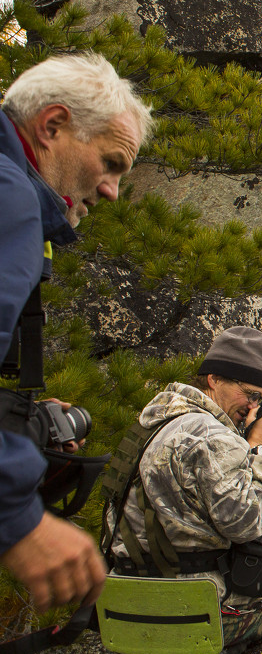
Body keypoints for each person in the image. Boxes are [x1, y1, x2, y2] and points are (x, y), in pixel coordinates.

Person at [51, 326, 262, 654]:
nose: (252, 407)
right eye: (248, 395)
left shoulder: (156, 418)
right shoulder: (208, 435)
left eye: (259, 399)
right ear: (215, 379)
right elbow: (248, 522)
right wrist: (259, 448)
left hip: (128, 600)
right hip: (188, 611)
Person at [0, 53, 153, 614]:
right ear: (53, 126)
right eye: (110, 163)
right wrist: (18, 520)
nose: (111, 190)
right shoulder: (10, 198)